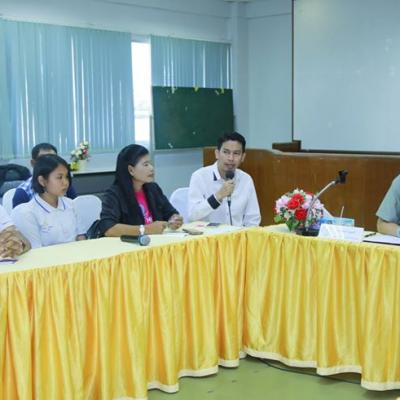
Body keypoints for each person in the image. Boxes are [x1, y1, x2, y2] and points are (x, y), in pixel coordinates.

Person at [98, 144, 183, 236]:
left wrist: (174, 219)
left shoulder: (153, 189)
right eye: (145, 164)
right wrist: (146, 229)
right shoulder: (114, 194)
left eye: (150, 164)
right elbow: (108, 228)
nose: (151, 168)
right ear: (131, 170)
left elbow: (170, 213)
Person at [11, 154, 86, 248]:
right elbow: (35, 251)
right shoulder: (26, 213)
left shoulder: (72, 204)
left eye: (67, 177)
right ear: (42, 181)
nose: (65, 182)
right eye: (59, 177)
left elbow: (81, 237)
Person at [188, 132, 261, 226]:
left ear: (243, 157)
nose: (231, 158)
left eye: (236, 153)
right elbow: (192, 216)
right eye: (226, 152)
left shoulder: (246, 180)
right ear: (217, 154)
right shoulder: (199, 177)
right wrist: (218, 196)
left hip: (238, 234)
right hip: (208, 234)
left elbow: (253, 219)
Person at [12, 142, 77, 208]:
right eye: (43, 160)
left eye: (53, 159)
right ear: (33, 163)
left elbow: (75, 208)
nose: (50, 164)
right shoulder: (22, 193)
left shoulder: (64, 185)